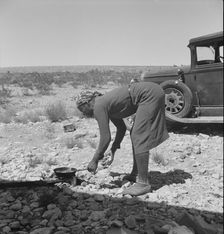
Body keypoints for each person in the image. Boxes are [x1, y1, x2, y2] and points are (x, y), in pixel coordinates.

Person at [76, 81, 169, 196]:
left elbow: (105, 137)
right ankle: (136, 173)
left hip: (148, 94)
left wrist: (94, 160)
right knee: (134, 132)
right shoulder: (106, 104)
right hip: (152, 91)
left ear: (87, 102)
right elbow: (121, 128)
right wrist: (113, 150)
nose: (83, 113)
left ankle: (143, 183)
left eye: (82, 109)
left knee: (138, 135)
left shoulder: (98, 106)